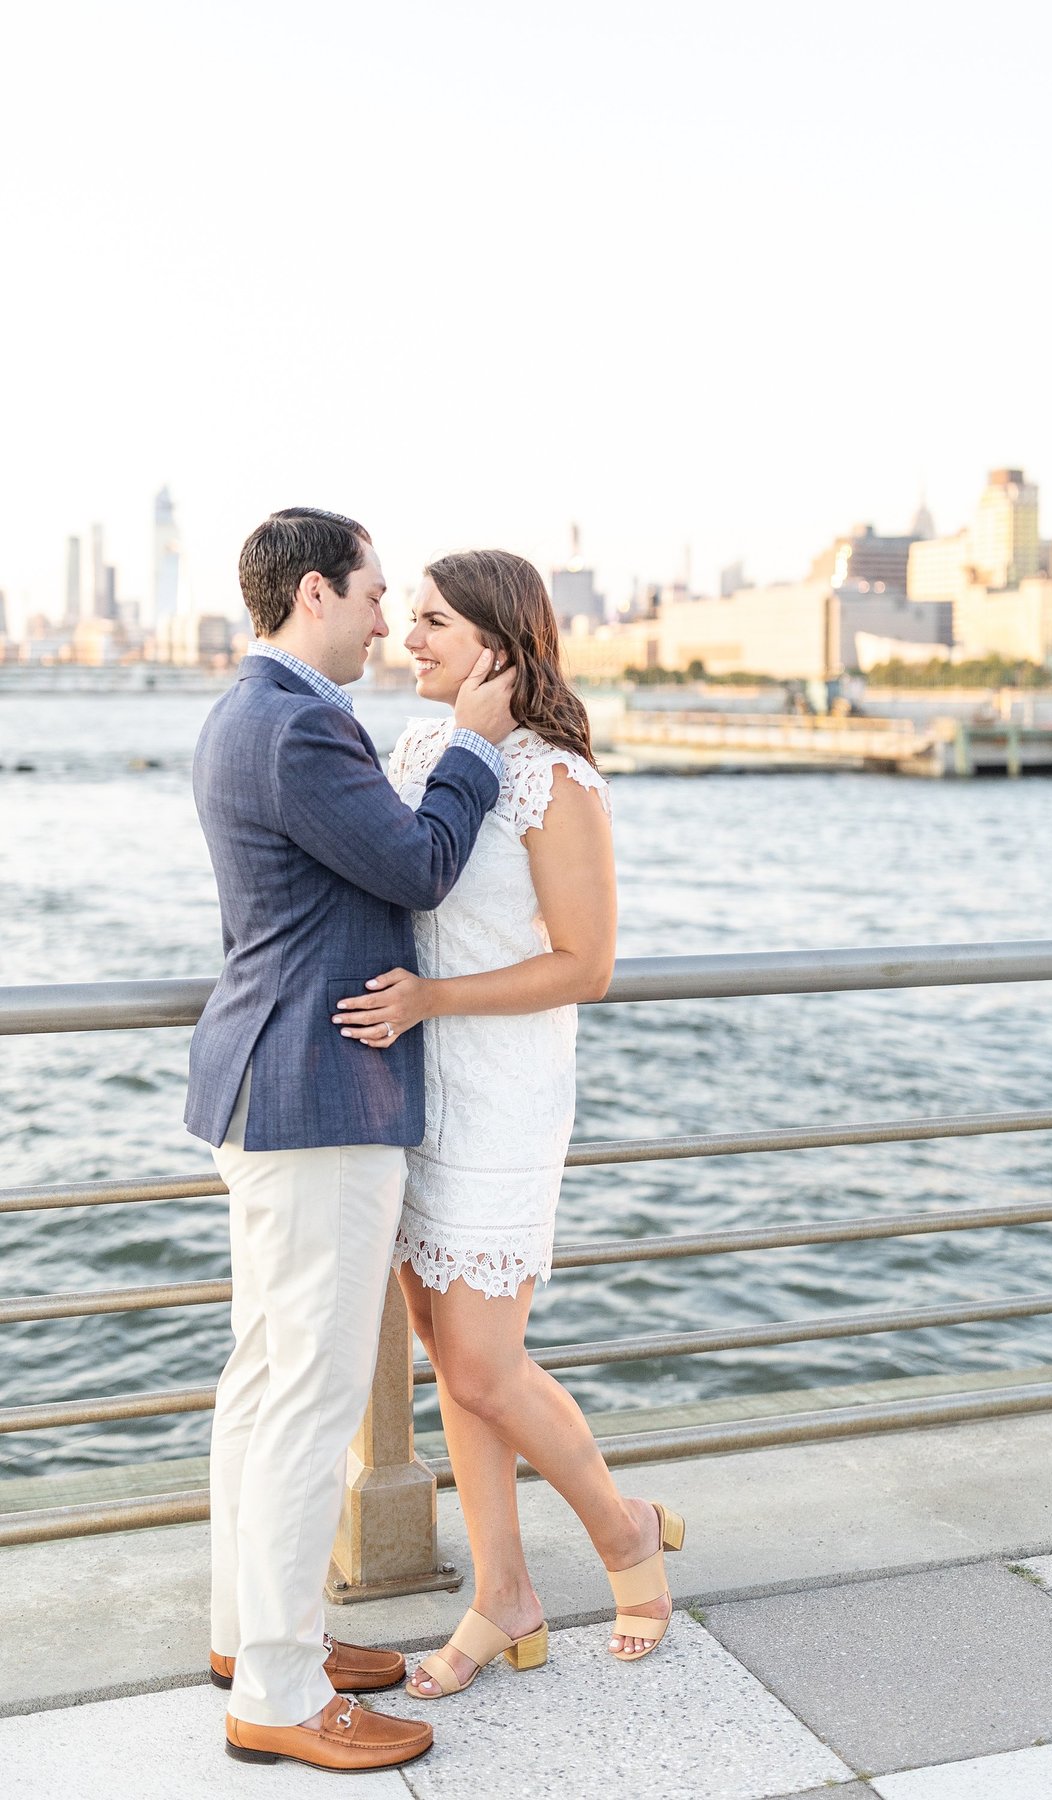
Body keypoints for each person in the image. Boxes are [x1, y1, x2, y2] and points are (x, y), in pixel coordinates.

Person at [186, 508, 516, 1773]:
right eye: (378, 595)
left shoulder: (243, 710)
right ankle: (275, 1690)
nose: (388, 620)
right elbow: (421, 864)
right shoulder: (300, 723)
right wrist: (475, 748)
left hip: (271, 1087)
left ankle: (253, 1635)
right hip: (318, 1097)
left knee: (265, 1382)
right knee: (305, 1398)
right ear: (317, 590)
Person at [330, 549, 684, 1700]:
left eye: (432, 622)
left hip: (503, 1102)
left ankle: (624, 1531)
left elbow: (586, 965)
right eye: (409, 618)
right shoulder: (423, 751)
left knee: (486, 1362)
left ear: (497, 640)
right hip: (417, 1093)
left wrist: (432, 999)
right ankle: (504, 1595)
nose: (408, 638)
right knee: (453, 1363)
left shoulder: (555, 780)